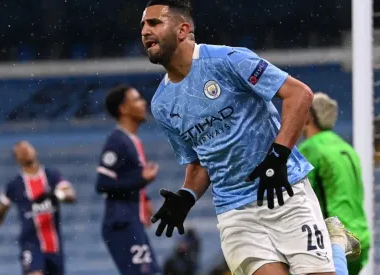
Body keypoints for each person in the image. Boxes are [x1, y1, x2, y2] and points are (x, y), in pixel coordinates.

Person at [142, 1, 359, 275]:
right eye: (142, 26)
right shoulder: (162, 104)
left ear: (183, 29)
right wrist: (186, 196)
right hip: (235, 213)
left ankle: (336, 243)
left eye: (154, 23)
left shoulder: (228, 60)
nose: (145, 31)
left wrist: (278, 156)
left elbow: (299, 94)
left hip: (285, 192)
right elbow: (198, 162)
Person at [297, 92, 371, 274]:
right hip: (359, 238)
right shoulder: (346, 148)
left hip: (334, 239)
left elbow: (297, 197)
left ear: (308, 116)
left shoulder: (310, 148)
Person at [0, 140, 76, 275]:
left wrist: (57, 194)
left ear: (35, 150)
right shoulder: (15, 185)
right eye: (20, 151)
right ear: (17, 159)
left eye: (26, 147)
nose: (24, 151)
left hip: (54, 246)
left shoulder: (51, 176)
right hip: (31, 244)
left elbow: (71, 195)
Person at [96, 85, 161, 275]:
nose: (143, 103)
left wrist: (145, 200)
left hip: (131, 220)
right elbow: (102, 184)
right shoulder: (117, 141)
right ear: (123, 108)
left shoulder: (132, 140)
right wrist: (142, 180)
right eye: (137, 99)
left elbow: (128, 178)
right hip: (121, 223)